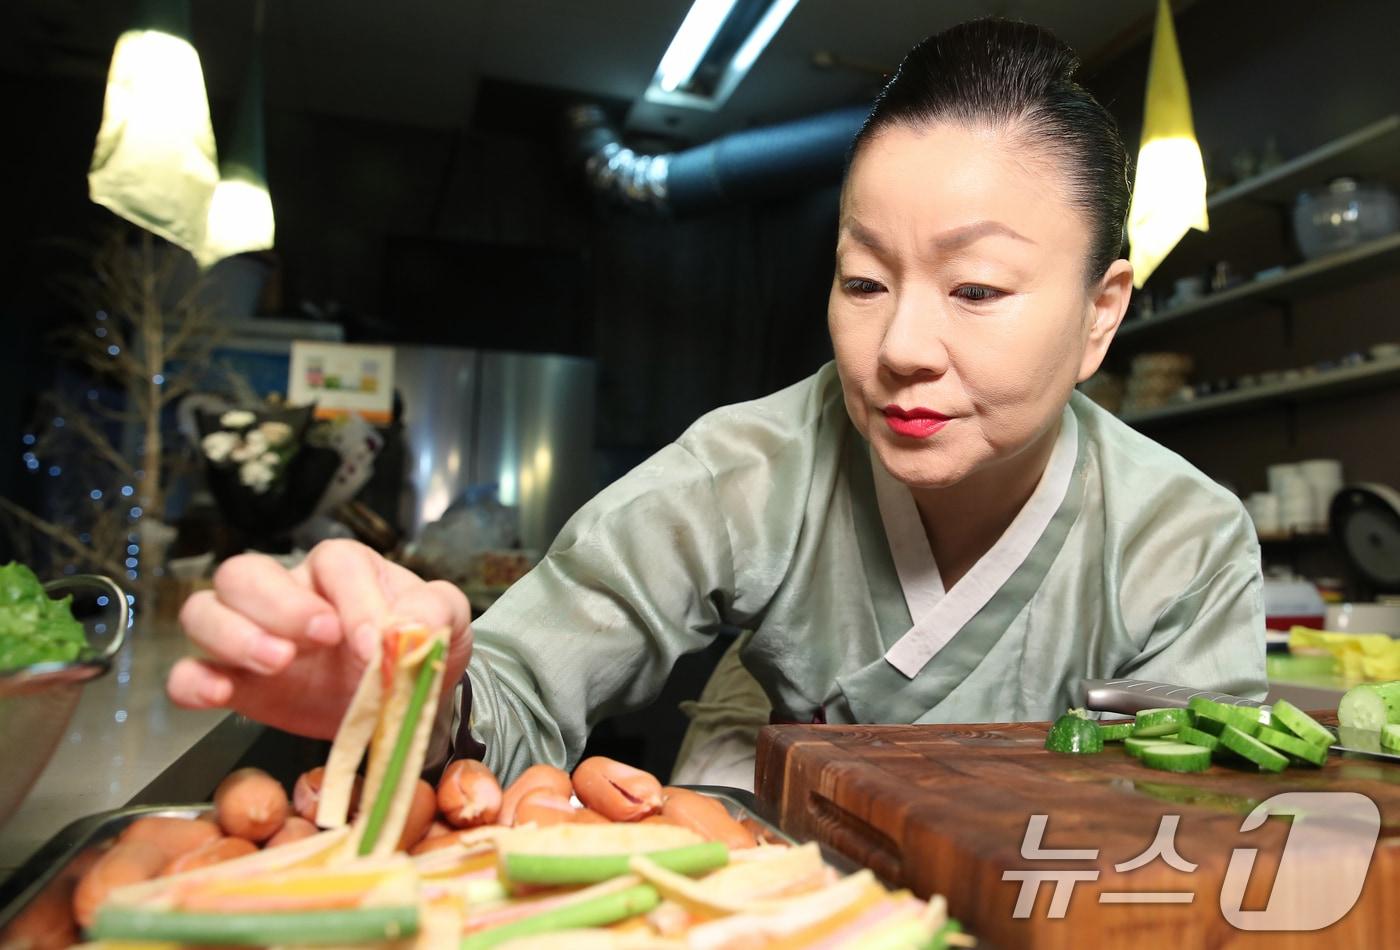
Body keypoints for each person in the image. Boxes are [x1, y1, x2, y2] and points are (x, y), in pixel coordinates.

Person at [167, 19, 1267, 789]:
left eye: (974, 289)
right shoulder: (748, 466)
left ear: (1097, 313)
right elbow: (516, 683)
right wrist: (419, 691)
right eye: (862, 279)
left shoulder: (1181, 536)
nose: (897, 348)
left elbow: (1188, 834)